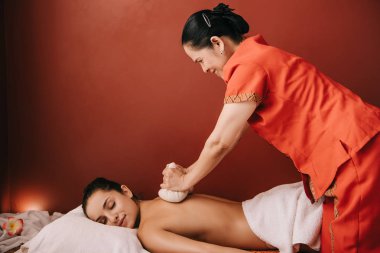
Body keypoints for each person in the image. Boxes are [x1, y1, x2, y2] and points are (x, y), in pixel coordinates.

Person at [159, 3, 380, 253]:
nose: (204, 69)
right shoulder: (260, 58)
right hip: (360, 146)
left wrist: (186, 181)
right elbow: (234, 131)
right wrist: (189, 172)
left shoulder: (248, 66)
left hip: (355, 153)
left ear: (217, 43)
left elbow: (221, 141)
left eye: (200, 59)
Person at [82, 177, 322, 253]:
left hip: (274, 219)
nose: (112, 218)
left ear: (125, 190)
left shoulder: (154, 222)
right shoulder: (160, 206)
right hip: (274, 206)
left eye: (110, 205)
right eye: (103, 221)